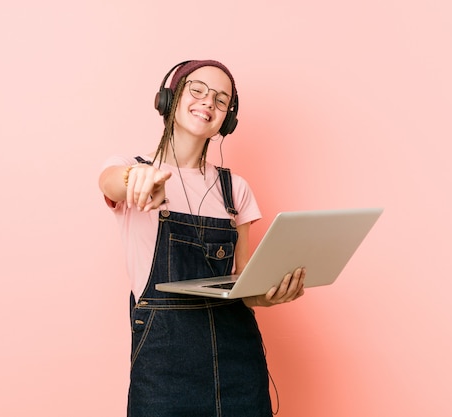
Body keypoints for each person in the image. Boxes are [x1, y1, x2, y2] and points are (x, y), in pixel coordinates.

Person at [98, 59, 306, 417]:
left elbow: (244, 283)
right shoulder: (130, 166)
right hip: (164, 363)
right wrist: (136, 179)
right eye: (197, 90)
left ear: (228, 118)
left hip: (238, 360)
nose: (208, 102)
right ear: (169, 99)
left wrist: (271, 294)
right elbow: (111, 181)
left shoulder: (234, 189)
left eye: (221, 99)